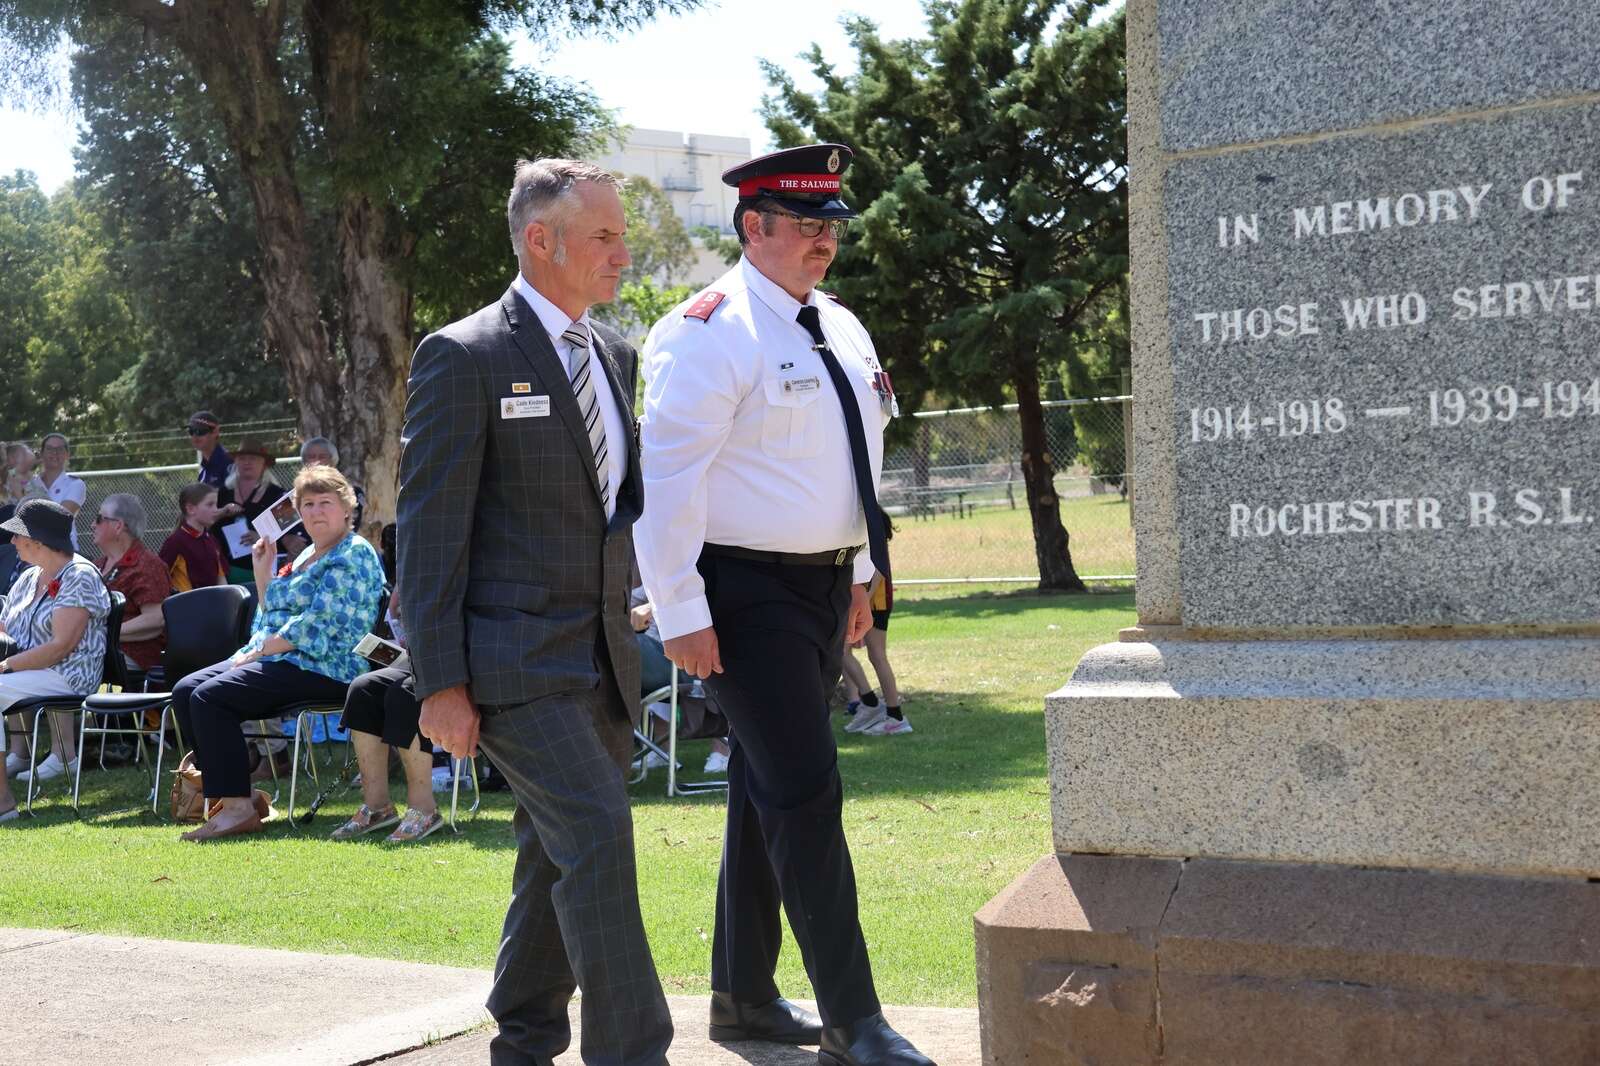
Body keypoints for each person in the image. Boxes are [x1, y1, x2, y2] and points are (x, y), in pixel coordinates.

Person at [635, 143, 931, 1066]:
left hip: (820, 580)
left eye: (833, 226)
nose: (825, 243)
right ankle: (854, 1019)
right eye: (807, 226)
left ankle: (744, 999)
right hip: (739, 590)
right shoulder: (707, 330)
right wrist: (678, 607)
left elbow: (853, 458)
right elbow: (668, 480)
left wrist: (856, 575)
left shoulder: (838, 325)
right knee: (806, 795)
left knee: (766, 790)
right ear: (752, 226)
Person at [397, 157, 672, 1065]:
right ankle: (636, 1053)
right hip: (512, 668)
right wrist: (438, 682)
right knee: (598, 837)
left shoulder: (614, 356)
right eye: (605, 237)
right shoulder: (463, 355)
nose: (622, 254)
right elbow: (430, 537)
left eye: (623, 236)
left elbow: (612, 512)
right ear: (541, 240)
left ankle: (521, 1040)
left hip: (599, 666)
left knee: (553, 856)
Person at [170, 465, 383, 842]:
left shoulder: (353, 553)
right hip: (281, 656)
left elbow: (318, 623)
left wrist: (258, 652)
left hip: (327, 664)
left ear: (346, 509)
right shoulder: (303, 557)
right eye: (308, 504)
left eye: (325, 503)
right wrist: (262, 569)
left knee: (210, 697)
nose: (316, 512)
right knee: (187, 690)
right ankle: (245, 796)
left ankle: (235, 809)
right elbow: (271, 613)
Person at [0, 500, 111, 802]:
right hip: (32, 671)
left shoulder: (78, 575)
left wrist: (6, 665)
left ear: (37, 540)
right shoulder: (29, 576)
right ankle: (17, 762)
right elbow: (5, 628)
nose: (11, 541)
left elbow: (60, 647)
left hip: (66, 675)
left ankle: (4, 798)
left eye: (17, 535)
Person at [329, 583, 443, 844]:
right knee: (363, 689)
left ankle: (424, 809)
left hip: (458, 660)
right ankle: (377, 807)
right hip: (420, 656)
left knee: (404, 693)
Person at [842, 511, 908, 736]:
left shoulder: (874, 538)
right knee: (848, 652)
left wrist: (863, 604)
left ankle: (894, 715)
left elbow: (879, 573)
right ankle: (871, 703)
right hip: (870, 603)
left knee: (877, 656)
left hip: (877, 604)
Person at [90, 493, 171, 675]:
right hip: (97, 648)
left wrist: (101, 634)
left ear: (118, 526)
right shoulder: (95, 566)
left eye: (99, 519)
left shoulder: (148, 564)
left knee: (70, 660)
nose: (92, 524)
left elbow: (155, 620)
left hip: (132, 654)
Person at [213, 439, 288, 584]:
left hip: (266, 569)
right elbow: (208, 525)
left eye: (253, 458)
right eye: (242, 458)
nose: (247, 462)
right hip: (227, 571)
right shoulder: (222, 493)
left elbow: (289, 536)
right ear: (235, 463)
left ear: (264, 464)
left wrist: (263, 538)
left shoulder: (278, 495)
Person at [283, 436, 366, 555]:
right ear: (304, 462)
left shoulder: (349, 492)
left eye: (322, 456)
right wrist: (288, 539)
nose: (317, 461)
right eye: (311, 457)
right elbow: (277, 529)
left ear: (333, 461)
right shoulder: (294, 496)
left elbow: (349, 526)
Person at [159, 483, 228, 593]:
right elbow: (160, 579)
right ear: (191, 509)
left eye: (216, 504)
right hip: (188, 605)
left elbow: (221, 578)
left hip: (214, 604)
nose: (216, 510)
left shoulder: (211, 539)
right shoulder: (175, 542)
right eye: (210, 505)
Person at [36, 434, 86, 551]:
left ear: (67, 455)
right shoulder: (31, 482)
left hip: (64, 551)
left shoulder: (75, 484)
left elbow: (59, 518)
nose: (55, 453)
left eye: (60, 449)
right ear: (41, 454)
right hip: (33, 551)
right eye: (49, 449)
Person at [187, 411, 233, 490]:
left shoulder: (229, 463)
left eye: (200, 431)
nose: (195, 436)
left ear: (215, 432)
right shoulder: (205, 469)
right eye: (191, 431)